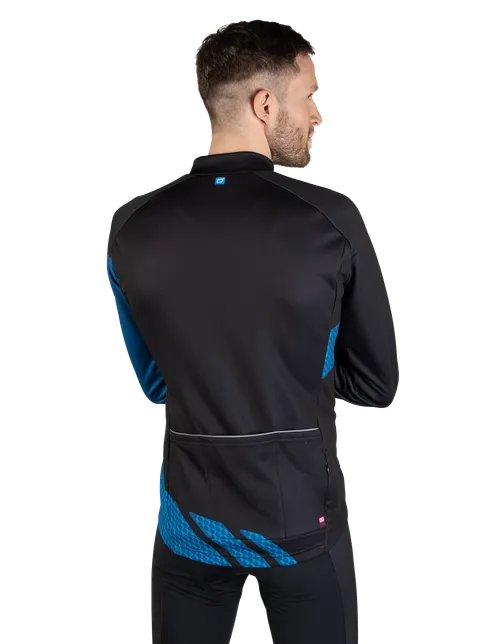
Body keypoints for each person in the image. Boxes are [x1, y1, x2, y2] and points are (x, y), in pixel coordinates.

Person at [105, 18, 399, 644]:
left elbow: (156, 382)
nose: (318, 114)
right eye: (310, 95)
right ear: (265, 105)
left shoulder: (131, 227)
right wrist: (295, 376)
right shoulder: (329, 219)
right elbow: (375, 383)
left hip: (190, 520)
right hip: (299, 519)